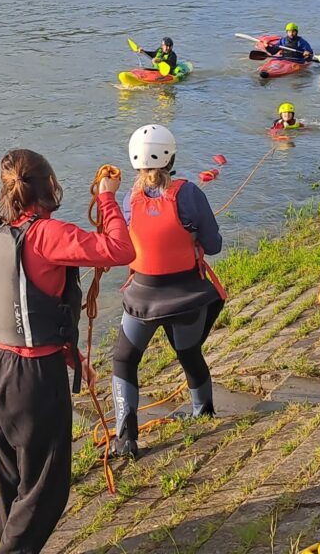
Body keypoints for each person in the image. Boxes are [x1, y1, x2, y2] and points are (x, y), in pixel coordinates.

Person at [0, 149, 135, 553]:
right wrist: (107, 198)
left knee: (14, 487)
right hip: (34, 379)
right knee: (45, 493)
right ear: (50, 186)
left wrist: (74, 358)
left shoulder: (2, 235)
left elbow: (27, 308)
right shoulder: (47, 235)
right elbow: (121, 250)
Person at [111, 124, 225, 459]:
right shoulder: (189, 193)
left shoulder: (127, 198)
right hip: (188, 295)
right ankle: (202, 413)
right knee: (189, 354)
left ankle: (126, 438)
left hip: (141, 298)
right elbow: (214, 245)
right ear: (171, 155)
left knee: (123, 360)